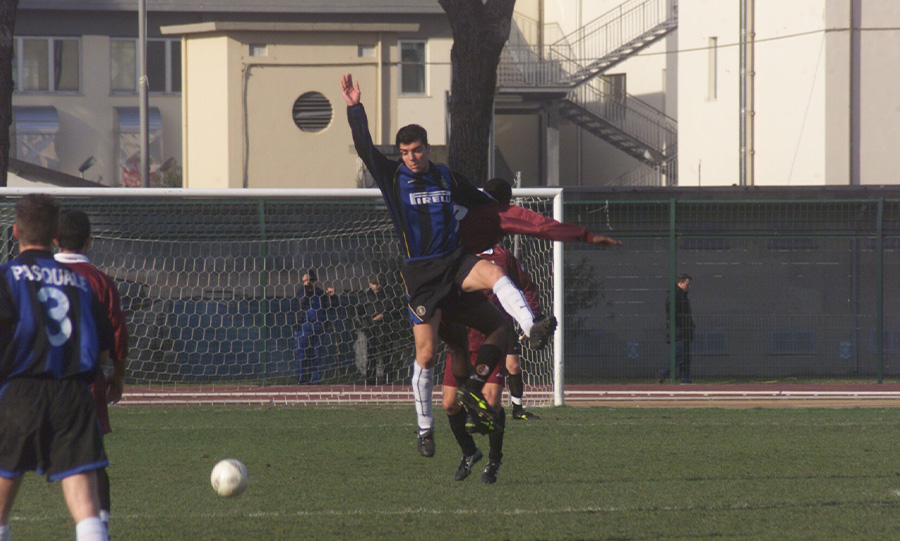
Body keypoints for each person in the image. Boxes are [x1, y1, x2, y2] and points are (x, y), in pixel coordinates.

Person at [342, 73, 557, 459]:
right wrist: (355, 108)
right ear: (402, 153)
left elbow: (477, 199)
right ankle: (425, 430)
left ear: (427, 148)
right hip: (422, 274)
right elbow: (363, 147)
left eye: (418, 150)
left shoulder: (444, 175)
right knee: (425, 355)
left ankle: (532, 327)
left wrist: (505, 214)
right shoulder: (392, 176)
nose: (413, 157)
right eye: (406, 151)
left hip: (454, 262)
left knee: (495, 273)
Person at [0, 194, 113, 541]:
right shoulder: (80, 283)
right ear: (54, 234)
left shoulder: (6, 278)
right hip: (73, 393)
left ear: (15, 231)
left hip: (20, 392)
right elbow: (102, 346)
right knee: (85, 504)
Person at [54, 209, 129, 532]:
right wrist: (119, 375)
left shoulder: (34, 274)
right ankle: (98, 529)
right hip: (85, 383)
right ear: (88, 242)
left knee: (11, 462)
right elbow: (117, 333)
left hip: (33, 384)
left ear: (54, 240)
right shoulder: (100, 281)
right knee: (91, 460)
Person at [296, 270, 334, 384]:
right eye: (307, 280)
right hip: (304, 326)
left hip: (318, 326)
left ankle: (315, 381)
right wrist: (306, 288)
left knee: (316, 354)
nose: (310, 282)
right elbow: (302, 303)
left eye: (312, 280)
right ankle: (302, 380)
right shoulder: (301, 292)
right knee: (302, 355)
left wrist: (333, 296)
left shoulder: (320, 293)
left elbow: (331, 307)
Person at [358, 274, 398, 384]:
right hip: (371, 331)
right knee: (371, 358)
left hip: (386, 331)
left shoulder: (388, 296)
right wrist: (366, 325)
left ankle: (388, 383)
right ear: (370, 284)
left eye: (379, 283)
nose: (377, 286)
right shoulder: (364, 297)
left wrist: (384, 316)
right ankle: (370, 383)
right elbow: (359, 313)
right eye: (375, 284)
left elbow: (395, 312)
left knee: (387, 358)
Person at [658, 273, 695, 384]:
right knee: (679, 356)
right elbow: (672, 313)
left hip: (685, 331)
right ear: (681, 282)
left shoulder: (682, 295)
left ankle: (686, 379)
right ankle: (663, 372)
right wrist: (680, 325)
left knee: (686, 358)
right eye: (687, 284)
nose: (688, 286)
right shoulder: (675, 295)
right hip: (679, 332)